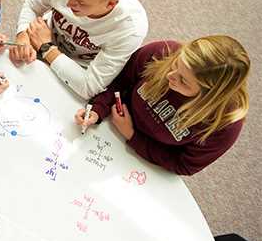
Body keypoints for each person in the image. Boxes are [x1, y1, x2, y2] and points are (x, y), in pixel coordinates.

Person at [74, 36, 249, 175]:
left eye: (184, 81)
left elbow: (184, 165)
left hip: (141, 164)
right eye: (176, 64)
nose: (170, 75)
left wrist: (132, 135)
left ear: (209, 95)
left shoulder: (224, 124)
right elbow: (119, 82)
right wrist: (97, 110)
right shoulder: (163, 52)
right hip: (107, 129)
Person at [11, 0, 148, 99]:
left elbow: (89, 87)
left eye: (80, 2)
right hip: (40, 41)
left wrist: (47, 49)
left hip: (78, 71)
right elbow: (33, 5)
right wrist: (23, 34)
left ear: (110, 4)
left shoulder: (130, 28)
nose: (69, 3)